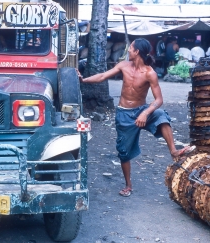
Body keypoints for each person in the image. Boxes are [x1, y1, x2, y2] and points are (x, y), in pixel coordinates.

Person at [78, 38, 194, 197]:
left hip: (141, 110)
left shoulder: (150, 73)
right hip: (124, 114)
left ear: (137, 51)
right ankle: (128, 185)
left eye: (131, 48)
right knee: (123, 152)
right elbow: (102, 76)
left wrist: (145, 113)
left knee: (161, 115)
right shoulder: (124, 66)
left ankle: (173, 151)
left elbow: (159, 99)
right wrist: (84, 80)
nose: (129, 51)